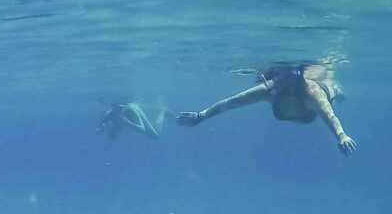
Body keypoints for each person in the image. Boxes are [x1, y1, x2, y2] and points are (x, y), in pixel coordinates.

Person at [176, 59, 356, 155]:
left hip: (312, 107)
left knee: (332, 90)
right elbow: (231, 102)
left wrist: (342, 136)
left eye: (289, 81)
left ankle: (337, 89)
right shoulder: (269, 90)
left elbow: (329, 115)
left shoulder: (311, 93)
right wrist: (202, 115)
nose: (284, 84)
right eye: (282, 80)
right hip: (300, 108)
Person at [98, 101, 169, 139]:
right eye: (116, 109)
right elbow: (100, 129)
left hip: (130, 116)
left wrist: (126, 121)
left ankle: (164, 111)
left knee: (155, 136)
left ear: (124, 107)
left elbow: (142, 129)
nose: (118, 111)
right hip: (122, 120)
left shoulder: (131, 110)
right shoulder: (109, 114)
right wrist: (103, 127)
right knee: (111, 136)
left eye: (120, 108)